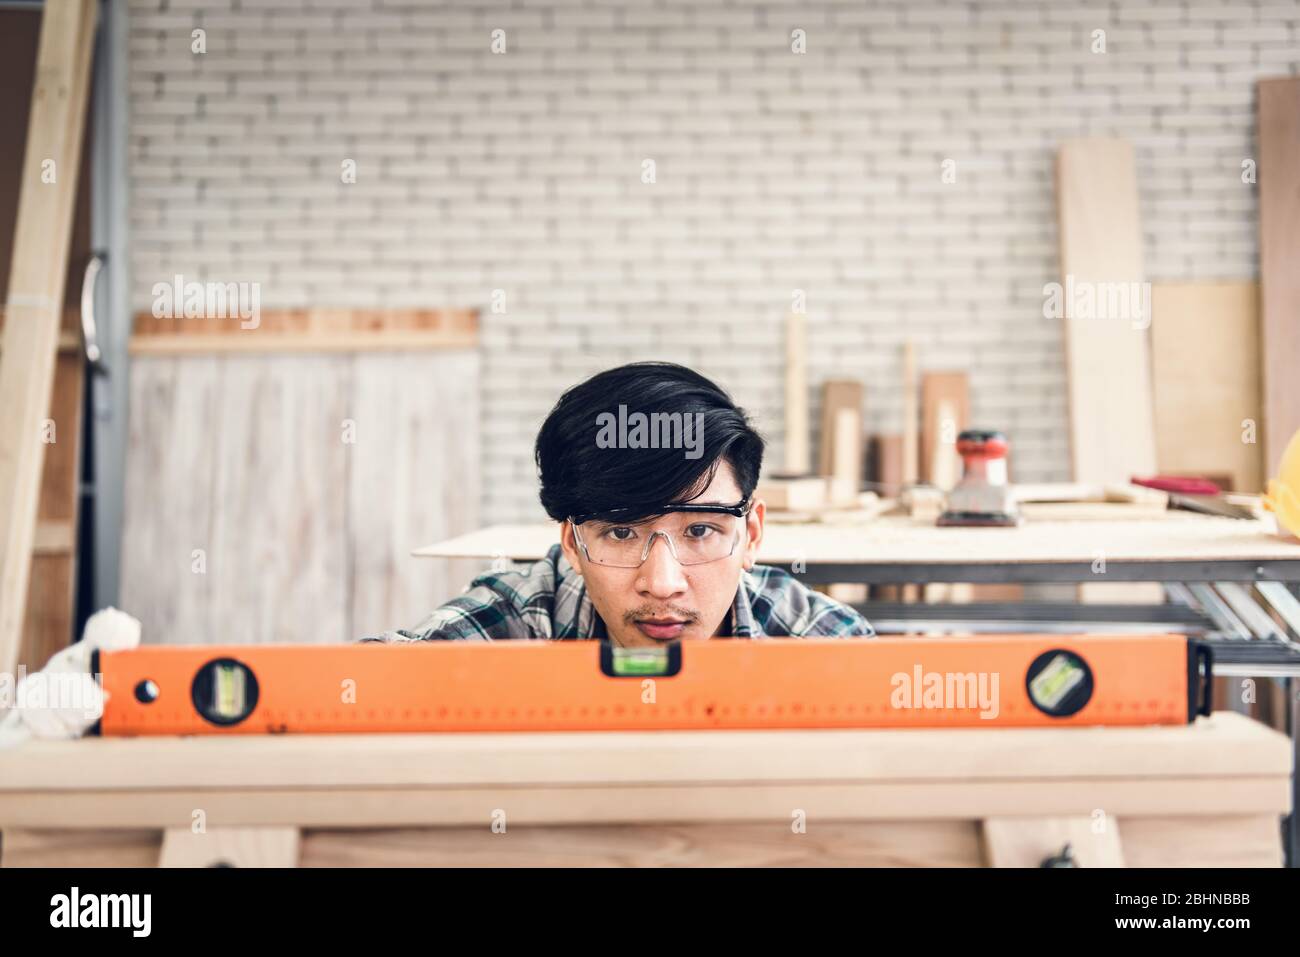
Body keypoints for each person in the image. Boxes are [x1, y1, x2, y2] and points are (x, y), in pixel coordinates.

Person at [366, 362, 874, 646]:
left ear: (752, 535)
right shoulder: (522, 621)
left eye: (700, 531)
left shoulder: (817, 639)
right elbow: (366, 682)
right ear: (572, 543)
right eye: (621, 532)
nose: (662, 583)